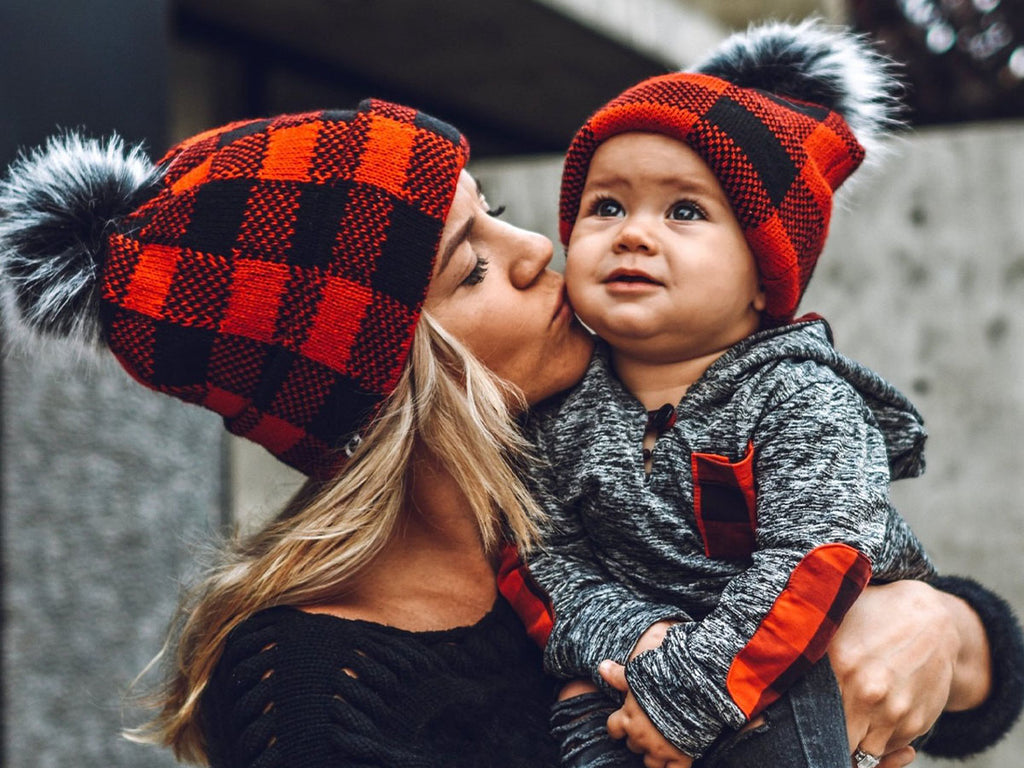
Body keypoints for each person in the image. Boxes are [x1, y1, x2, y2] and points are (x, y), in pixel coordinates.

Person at [0, 97, 1018, 768]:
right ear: (381, 380)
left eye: (499, 215)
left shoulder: (599, 468)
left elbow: (988, 676)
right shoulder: (313, 695)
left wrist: (935, 627)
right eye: (469, 266)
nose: (539, 250)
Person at [523, 20, 1024, 768]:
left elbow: (817, 554)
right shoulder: (557, 409)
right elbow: (539, 552)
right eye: (606, 206)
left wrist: (692, 690)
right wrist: (636, 642)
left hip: (807, 664)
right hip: (635, 679)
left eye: (684, 211)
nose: (633, 234)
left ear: (766, 275)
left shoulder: (801, 398)